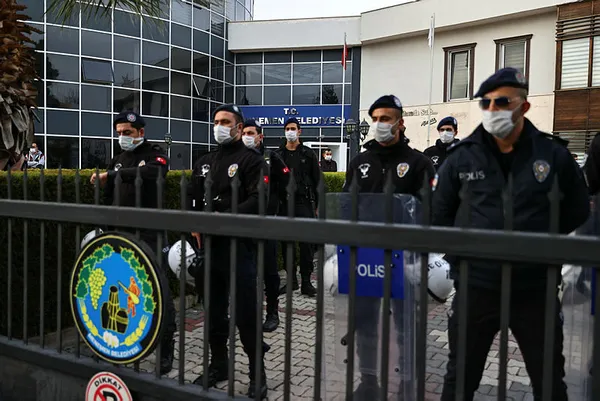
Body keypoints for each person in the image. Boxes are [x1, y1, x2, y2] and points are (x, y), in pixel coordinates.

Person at [432, 68, 590, 401]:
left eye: (502, 102)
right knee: (459, 380)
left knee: (549, 383)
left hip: (534, 287)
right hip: (476, 285)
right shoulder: (463, 156)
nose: (492, 110)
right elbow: (440, 212)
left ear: (524, 106)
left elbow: (577, 210)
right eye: (486, 103)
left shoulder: (553, 155)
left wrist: (539, 242)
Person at [342, 95, 435, 398]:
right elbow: (347, 205)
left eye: (386, 118)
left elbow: (431, 210)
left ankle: (408, 379)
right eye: (376, 119)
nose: (380, 124)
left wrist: (422, 254)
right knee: (365, 321)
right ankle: (369, 380)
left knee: (407, 324)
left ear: (400, 123)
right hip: (367, 255)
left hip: (404, 255)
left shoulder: (419, 163)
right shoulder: (360, 162)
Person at [189, 105, 269, 398]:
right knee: (213, 312)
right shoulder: (205, 161)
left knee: (246, 313)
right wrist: (194, 223)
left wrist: (221, 216)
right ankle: (219, 365)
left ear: (238, 127)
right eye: (216, 122)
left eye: (225, 122)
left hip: (239, 247)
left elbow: (258, 200)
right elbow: (192, 198)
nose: (219, 126)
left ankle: (257, 373)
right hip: (210, 248)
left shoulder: (252, 161)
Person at [89, 111, 176, 375]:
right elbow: (108, 197)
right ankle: (118, 344)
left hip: (149, 233)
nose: (122, 137)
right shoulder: (118, 159)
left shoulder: (155, 153)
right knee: (117, 289)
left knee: (156, 289)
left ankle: (165, 350)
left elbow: (153, 171)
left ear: (140, 132)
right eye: (119, 133)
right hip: (120, 233)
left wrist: (113, 175)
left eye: (127, 132)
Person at [242, 118, 290, 332]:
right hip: (244, 223)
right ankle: (248, 313)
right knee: (245, 272)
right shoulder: (239, 158)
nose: (247, 137)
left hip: (267, 222)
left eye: (251, 133)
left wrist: (276, 203)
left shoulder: (272, 158)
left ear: (260, 137)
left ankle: (272, 312)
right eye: (244, 133)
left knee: (269, 271)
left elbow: (287, 182)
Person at [274, 117, 319, 297]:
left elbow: (317, 181)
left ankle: (306, 282)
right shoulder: (278, 155)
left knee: (306, 244)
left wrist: (318, 206)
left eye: (293, 128)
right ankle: (291, 281)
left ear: (299, 131)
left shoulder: (308, 154)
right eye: (287, 129)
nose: (290, 132)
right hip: (284, 204)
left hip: (304, 203)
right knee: (287, 244)